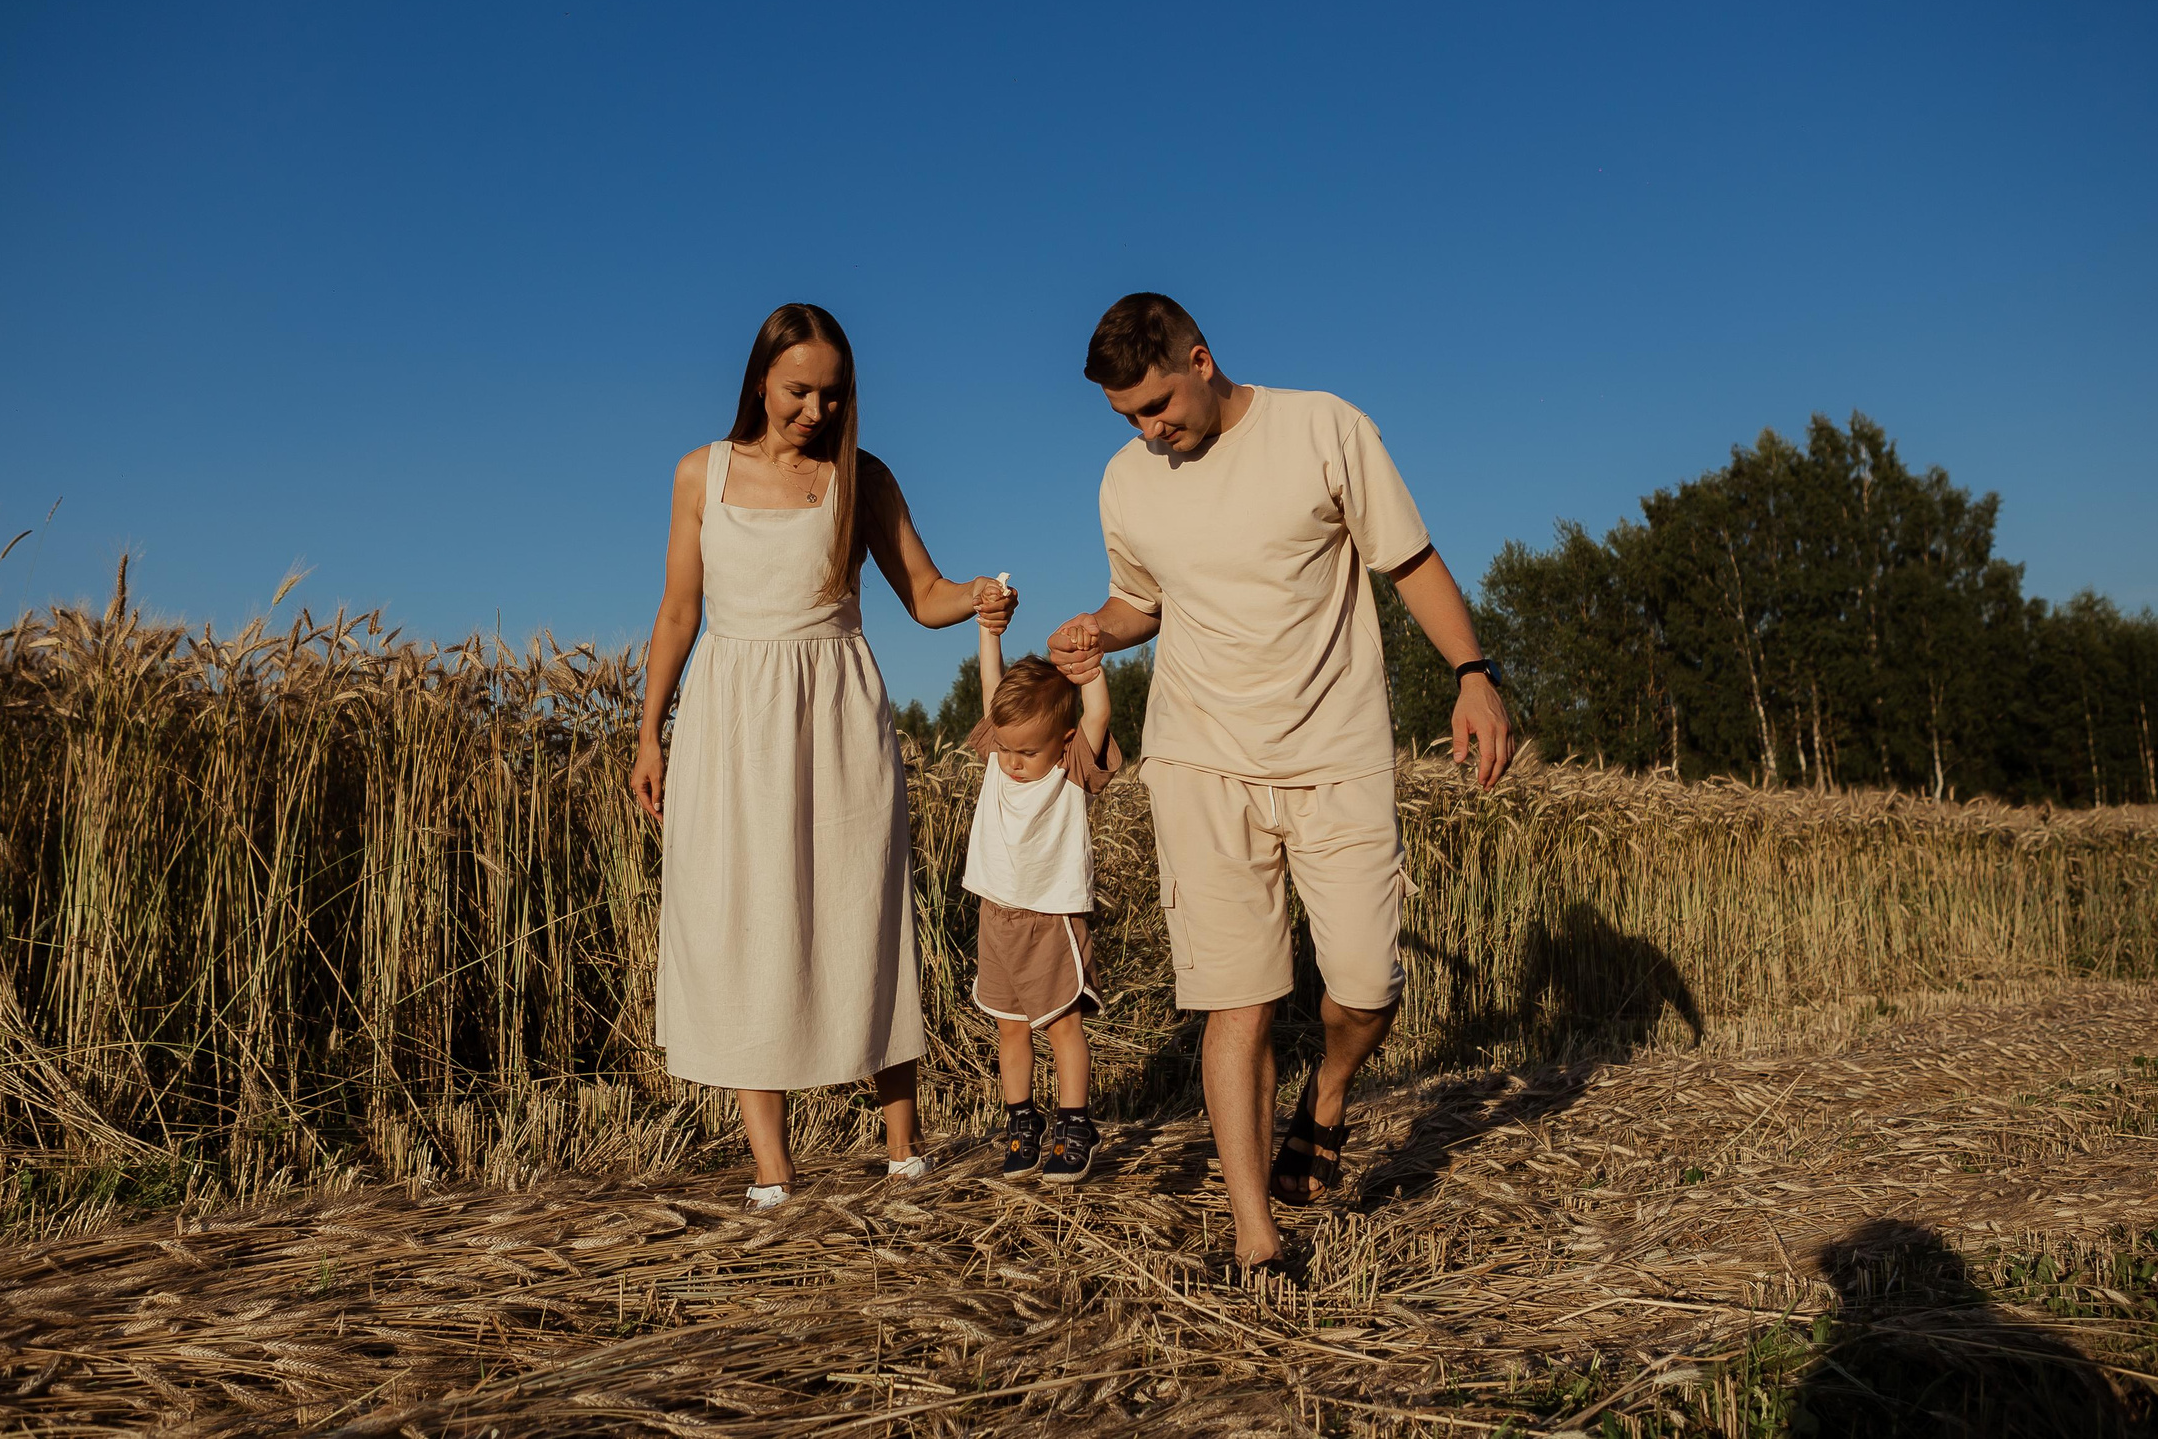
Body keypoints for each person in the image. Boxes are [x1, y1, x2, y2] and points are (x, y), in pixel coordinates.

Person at [1048, 292, 1514, 1272]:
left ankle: (1330, 1091)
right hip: (1200, 758)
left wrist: (1472, 674)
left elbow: (1411, 561)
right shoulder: (1125, 480)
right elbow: (1140, 601)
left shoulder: (1323, 428)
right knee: (1238, 1000)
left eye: (1156, 406)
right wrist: (1099, 630)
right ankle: (1256, 1237)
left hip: (1335, 754)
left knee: (1366, 988)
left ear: (1200, 359)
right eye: (1128, 418)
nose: (1149, 431)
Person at [632, 303, 1016, 1211]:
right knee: (741, 917)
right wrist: (649, 731)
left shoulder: (862, 477)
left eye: (833, 394)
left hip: (837, 710)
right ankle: (773, 1166)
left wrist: (979, 594)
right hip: (729, 717)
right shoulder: (700, 473)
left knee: (861, 905)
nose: (816, 410)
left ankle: (902, 1146)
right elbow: (679, 611)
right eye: (798, 390)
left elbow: (924, 592)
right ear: (760, 379)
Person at [962, 604, 1122, 1184]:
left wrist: (1088, 666)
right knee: (1009, 1025)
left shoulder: (1072, 767)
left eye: (1027, 752)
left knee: (1062, 1026)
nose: (1012, 762)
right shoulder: (1000, 756)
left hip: (1050, 919)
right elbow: (993, 691)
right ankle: (1022, 1123)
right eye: (1006, 748)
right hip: (996, 915)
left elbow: (1097, 712)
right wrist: (989, 633)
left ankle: (1075, 1125)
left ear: (1064, 741)